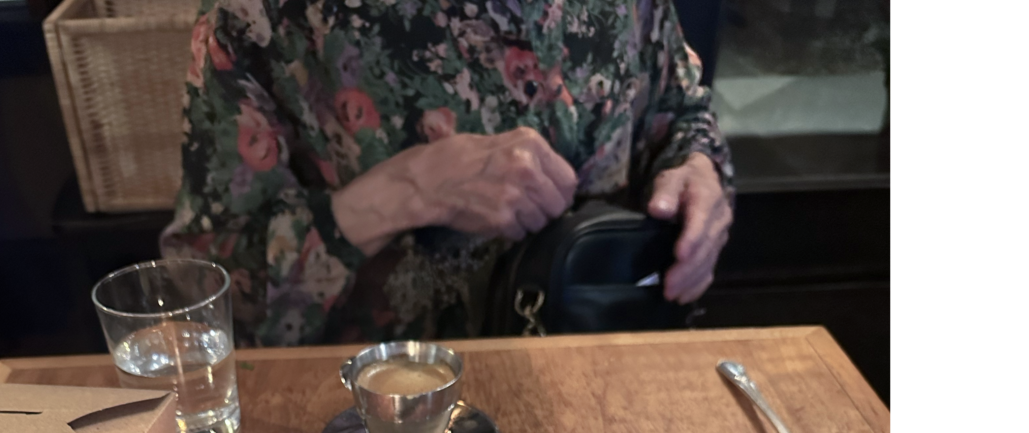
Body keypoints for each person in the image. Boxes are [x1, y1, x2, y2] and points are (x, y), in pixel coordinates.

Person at [161, 0, 734, 347]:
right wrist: (408, 189)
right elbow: (204, 301)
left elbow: (681, 112)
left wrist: (698, 173)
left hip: (604, 378)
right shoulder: (257, 18)